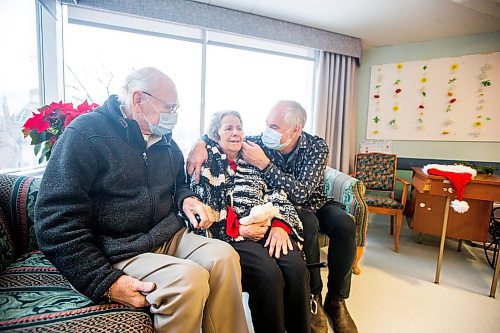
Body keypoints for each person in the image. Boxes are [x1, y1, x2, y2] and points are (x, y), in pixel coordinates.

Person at [34, 67, 249, 333]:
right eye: (170, 107)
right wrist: (103, 281)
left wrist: (186, 199)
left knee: (224, 255)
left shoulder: (166, 141)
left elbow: (179, 184)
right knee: (188, 281)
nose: (174, 115)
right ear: (138, 99)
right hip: (118, 246)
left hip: (166, 235)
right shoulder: (86, 133)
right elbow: (54, 220)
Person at [188, 101, 358, 333]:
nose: (266, 131)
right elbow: (218, 134)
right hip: (264, 220)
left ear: (295, 130)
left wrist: (280, 220)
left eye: (274, 126)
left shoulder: (314, 147)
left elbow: (298, 194)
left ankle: (335, 300)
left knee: (342, 227)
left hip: (309, 202)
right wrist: (199, 143)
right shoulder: (247, 148)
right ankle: (314, 296)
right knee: (276, 267)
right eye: (267, 124)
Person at [190, 111, 311, 333]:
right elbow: (204, 209)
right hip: (231, 236)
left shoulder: (252, 160)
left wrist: (280, 225)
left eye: (239, 127)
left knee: (296, 268)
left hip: (267, 227)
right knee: (268, 274)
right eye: (228, 128)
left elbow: (277, 194)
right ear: (216, 135)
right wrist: (240, 229)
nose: (236, 133)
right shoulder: (206, 164)